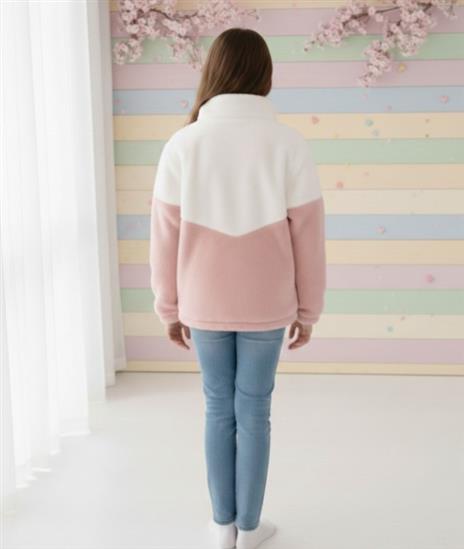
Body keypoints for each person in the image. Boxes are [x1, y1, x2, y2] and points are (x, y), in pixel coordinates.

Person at [149, 27, 327, 549]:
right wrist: (309, 310)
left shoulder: (183, 144)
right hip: (267, 302)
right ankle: (249, 529)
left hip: (203, 299)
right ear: (264, 75)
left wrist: (168, 308)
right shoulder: (288, 143)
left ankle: (220, 525)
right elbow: (309, 237)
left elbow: (163, 237)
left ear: (213, 73)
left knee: (216, 407)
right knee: (253, 410)